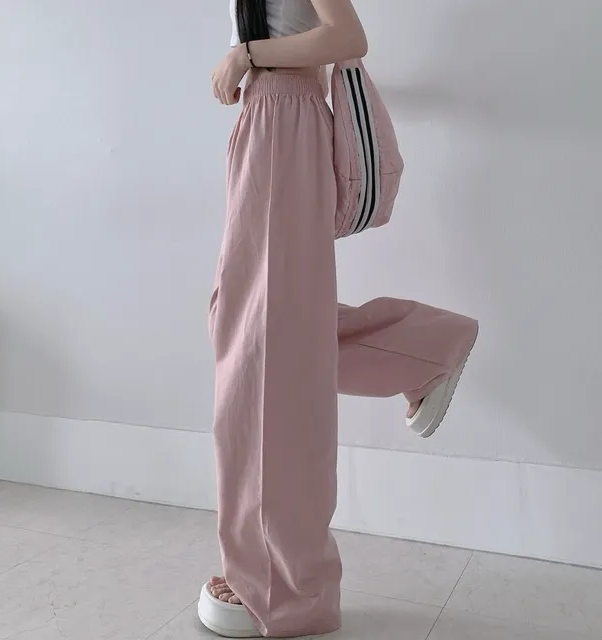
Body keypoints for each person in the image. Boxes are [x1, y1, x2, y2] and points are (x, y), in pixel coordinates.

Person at [202, 1, 479, 637]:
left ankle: (283, 587)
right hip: (269, 118)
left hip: (284, 119)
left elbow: (346, 35)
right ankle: (427, 347)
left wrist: (247, 54)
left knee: (263, 343)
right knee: (257, 326)